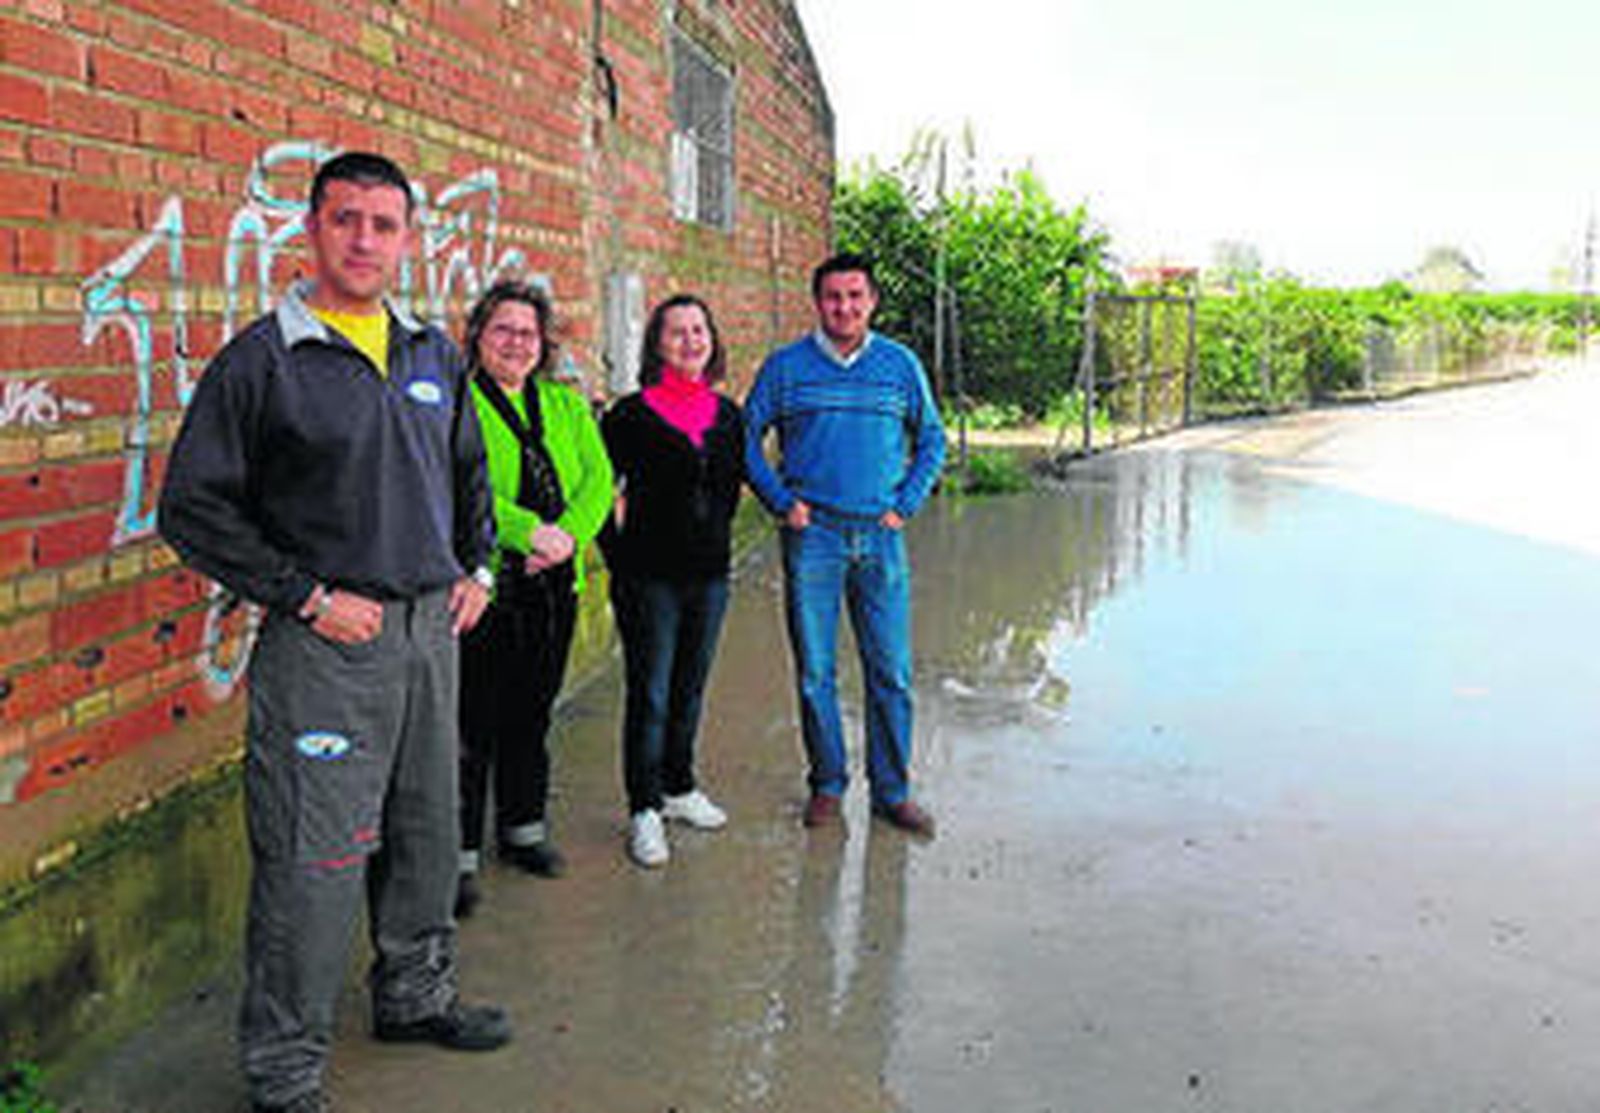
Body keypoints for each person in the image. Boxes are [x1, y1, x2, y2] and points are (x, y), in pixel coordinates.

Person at [158, 152, 511, 1113]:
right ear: (312, 229)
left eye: (383, 223)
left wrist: (477, 567)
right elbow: (191, 506)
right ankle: (284, 1071)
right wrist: (307, 595)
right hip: (328, 645)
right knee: (313, 859)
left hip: (430, 635)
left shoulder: (432, 353)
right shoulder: (264, 361)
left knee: (428, 829)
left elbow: (469, 474)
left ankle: (414, 993)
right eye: (345, 218)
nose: (363, 239)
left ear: (407, 239)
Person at [743, 252, 946, 838]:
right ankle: (828, 784)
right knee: (816, 672)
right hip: (814, 538)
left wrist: (905, 502)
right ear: (818, 302)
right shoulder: (786, 368)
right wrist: (781, 501)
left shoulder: (900, 365)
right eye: (833, 296)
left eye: (856, 295)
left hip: (880, 537)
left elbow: (932, 439)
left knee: (892, 672)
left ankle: (892, 792)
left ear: (872, 301)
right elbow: (746, 437)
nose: (845, 307)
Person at [454, 280, 612, 912]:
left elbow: (598, 478)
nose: (517, 343)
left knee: (532, 713)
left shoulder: (565, 405)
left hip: (554, 587)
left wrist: (568, 537)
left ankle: (523, 829)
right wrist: (527, 531)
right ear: (478, 337)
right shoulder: (458, 405)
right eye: (503, 330)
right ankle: (459, 856)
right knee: (472, 725)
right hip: (486, 590)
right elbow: (452, 489)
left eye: (528, 333)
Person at [601, 295, 744, 868]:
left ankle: (679, 788)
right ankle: (644, 808)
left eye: (698, 329)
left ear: (712, 339)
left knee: (690, 687)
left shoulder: (728, 415)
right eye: (676, 331)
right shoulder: (629, 416)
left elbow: (730, 491)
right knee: (651, 694)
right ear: (656, 344)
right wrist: (619, 559)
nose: (690, 340)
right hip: (648, 580)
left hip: (709, 579)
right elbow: (598, 492)